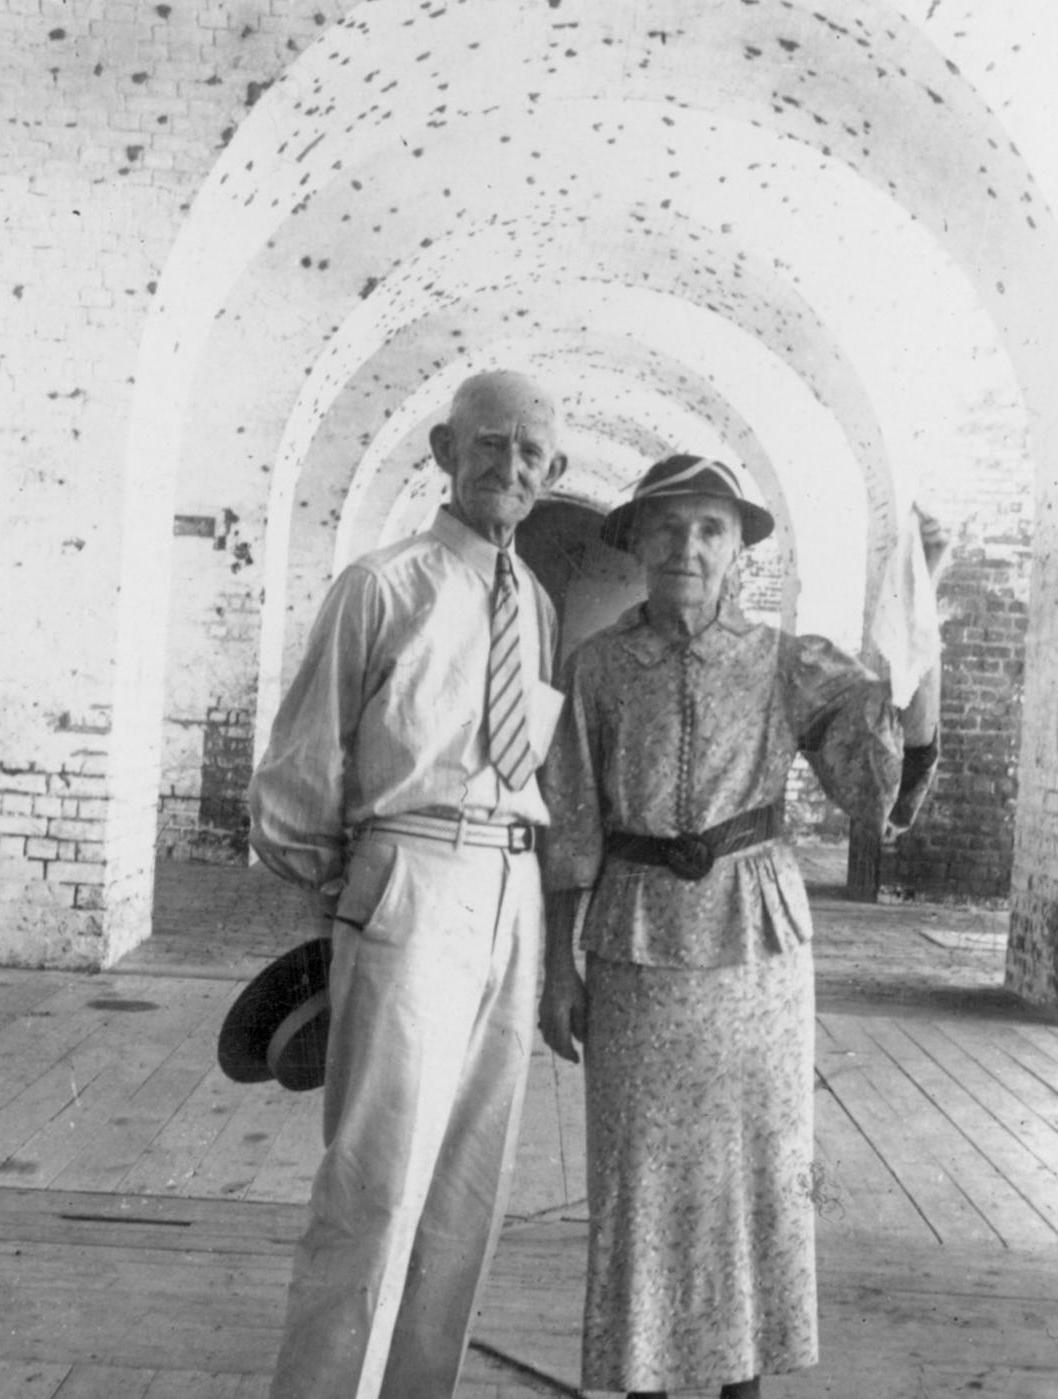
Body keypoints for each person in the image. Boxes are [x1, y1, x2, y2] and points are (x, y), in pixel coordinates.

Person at [537, 454, 950, 1399]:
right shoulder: (595, 666)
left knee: (756, 1169)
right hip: (634, 940)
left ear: (735, 551)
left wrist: (924, 633)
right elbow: (568, 826)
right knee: (636, 1174)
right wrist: (554, 972)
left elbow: (874, 774)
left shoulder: (783, 660)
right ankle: (643, 1380)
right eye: (669, 526)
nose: (688, 546)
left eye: (710, 529)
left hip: (756, 942)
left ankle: (741, 1386)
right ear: (636, 540)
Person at [247, 369, 569, 1399]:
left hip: (512, 887)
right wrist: (359, 894)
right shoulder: (382, 585)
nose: (508, 466)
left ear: (550, 473)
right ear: (443, 449)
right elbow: (298, 774)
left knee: (470, 1176)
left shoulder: (537, 602)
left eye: (530, 453)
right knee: (375, 1176)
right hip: (412, 875)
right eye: (489, 443)